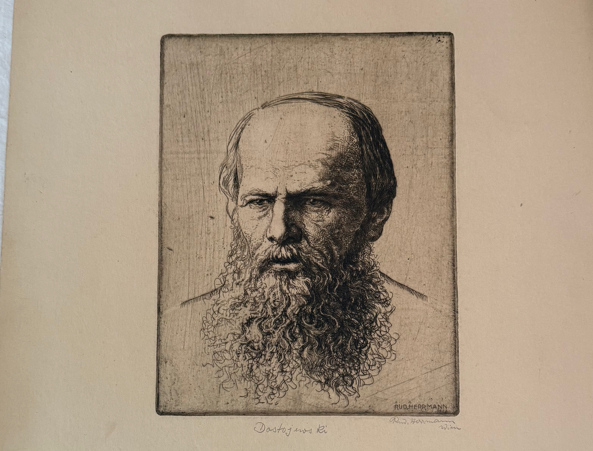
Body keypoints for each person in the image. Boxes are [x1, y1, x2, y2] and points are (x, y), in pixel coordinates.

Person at [167, 91, 455, 412]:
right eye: (259, 202)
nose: (279, 231)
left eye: (314, 202)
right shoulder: (173, 338)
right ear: (234, 211)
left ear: (376, 214)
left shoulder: (440, 340)